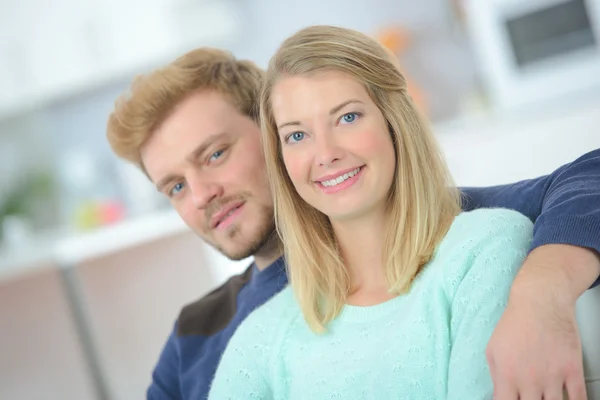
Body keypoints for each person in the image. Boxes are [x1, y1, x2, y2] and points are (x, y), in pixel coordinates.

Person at [105, 45, 600, 399]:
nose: (202, 195)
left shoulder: (448, 232)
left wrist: (543, 292)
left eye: (215, 154)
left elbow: (587, 178)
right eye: (175, 186)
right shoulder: (196, 334)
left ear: (271, 132)